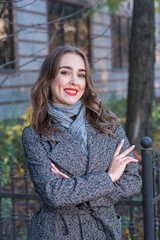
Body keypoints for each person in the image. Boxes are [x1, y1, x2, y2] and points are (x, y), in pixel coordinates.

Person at [22, 45, 142, 240]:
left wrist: (72, 191)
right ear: (50, 77)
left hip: (104, 231)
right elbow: (53, 195)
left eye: (81, 75)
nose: (74, 82)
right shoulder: (35, 134)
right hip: (57, 233)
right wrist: (109, 177)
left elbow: (131, 181)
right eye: (65, 72)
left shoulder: (107, 122)